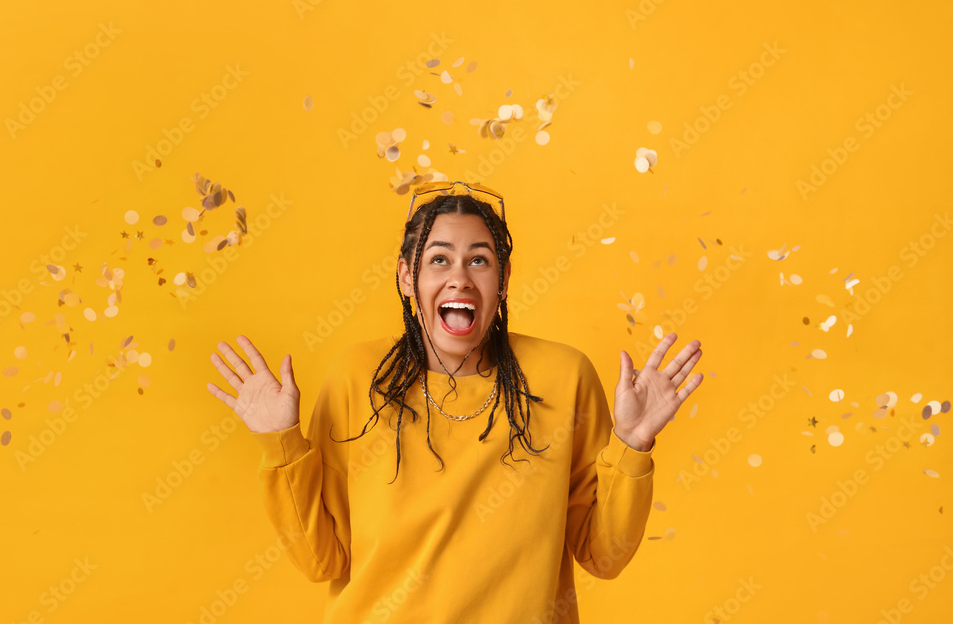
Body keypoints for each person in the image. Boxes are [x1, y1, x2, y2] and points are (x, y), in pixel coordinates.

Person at [206, 180, 703, 623]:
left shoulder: (564, 377)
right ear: (407, 277)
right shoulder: (357, 377)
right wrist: (280, 443)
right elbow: (323, 560)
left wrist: (632, 443)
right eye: (438, 258)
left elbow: (603, 556)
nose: (460, 278)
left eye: (479, 260)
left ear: (503, 280)